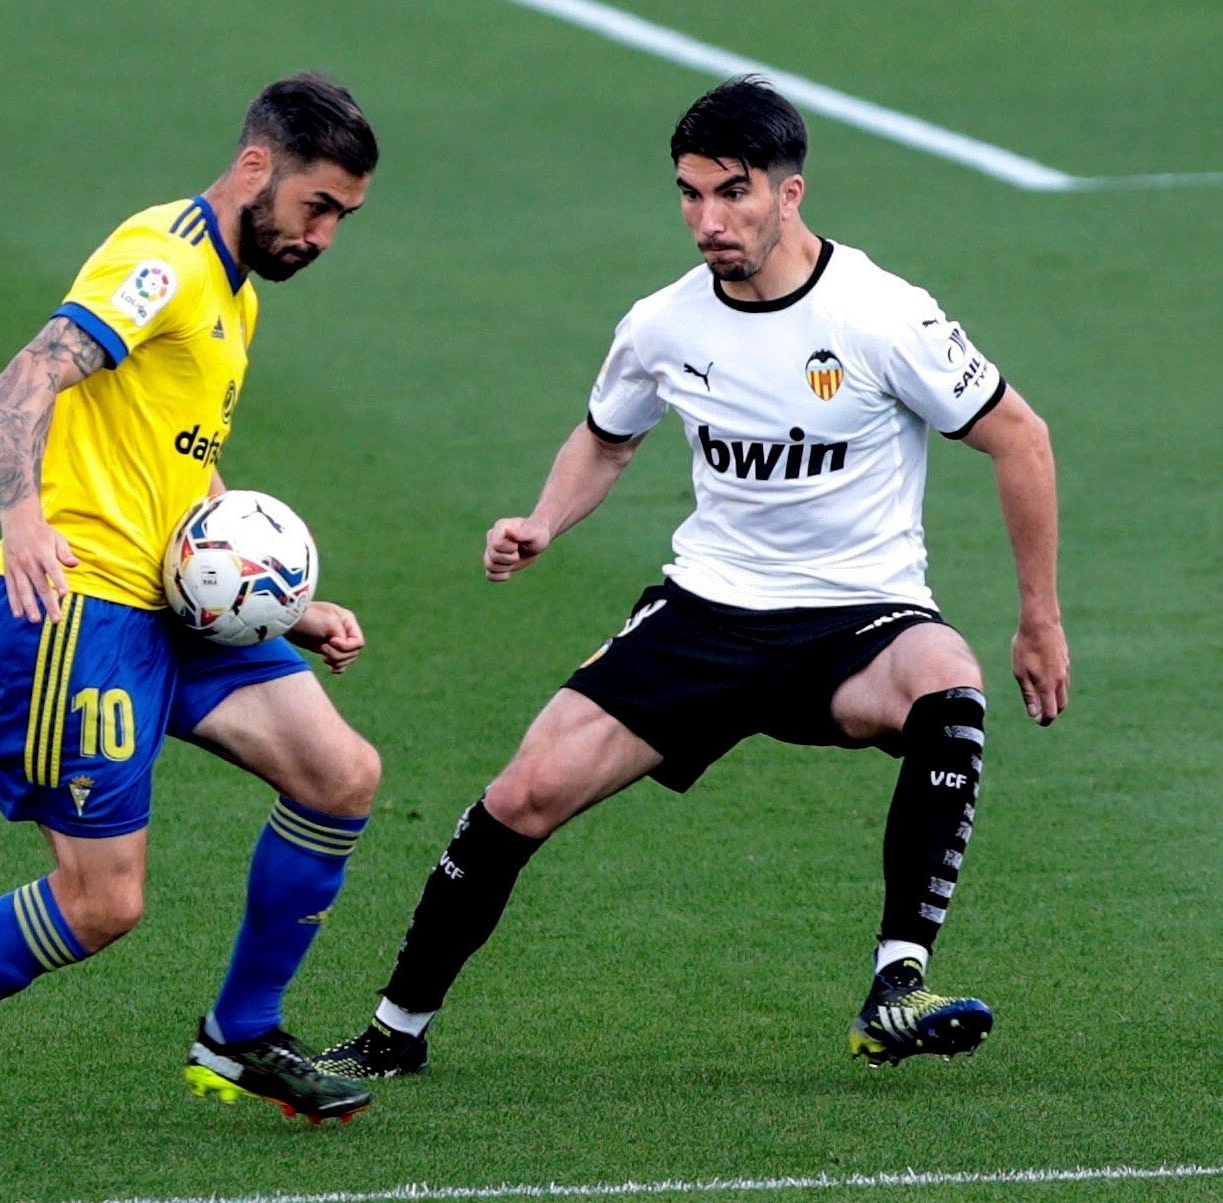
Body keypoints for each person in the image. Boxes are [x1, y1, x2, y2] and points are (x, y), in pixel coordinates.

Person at [317, 75, 1068, 1081]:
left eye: (732, 193)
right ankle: (394, 1031)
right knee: (523, 793)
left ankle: (895, 985)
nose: (706, 220)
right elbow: (606, 439)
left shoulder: (883, 317)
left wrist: (1038, 620)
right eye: (689, 194)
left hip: (857, 618)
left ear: (789, 193)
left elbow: (1019, 437)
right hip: (703, 614)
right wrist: (543, 521)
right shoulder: (663, 324)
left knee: (946, 679)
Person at [0, 73, 382, 1155]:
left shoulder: (235, 295)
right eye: (319, 207)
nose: (326, 235)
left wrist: (283, 605)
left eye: (343, 217)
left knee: (340, 775)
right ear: (257, 168)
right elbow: (25, 376)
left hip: (173, 603)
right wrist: (23, 516)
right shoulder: (159, 257)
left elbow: (181, 468)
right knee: (102, 902)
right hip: (76, 609)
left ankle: (239, 1035)